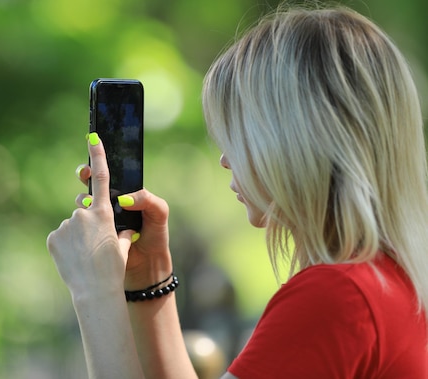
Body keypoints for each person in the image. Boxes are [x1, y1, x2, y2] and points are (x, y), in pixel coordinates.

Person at [47, 5, 428, 378]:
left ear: (298, 139)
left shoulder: (337, 298)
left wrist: (94, 291)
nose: (225, 159)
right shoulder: (390, 282)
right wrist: (150, 280)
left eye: (239, 134)